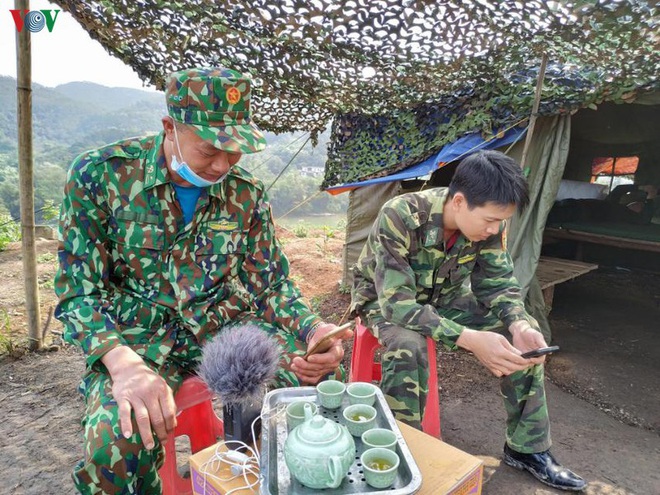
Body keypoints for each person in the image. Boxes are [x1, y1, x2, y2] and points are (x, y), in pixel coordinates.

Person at [55, 67, 352, 494]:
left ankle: (267, 479)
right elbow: (77, 293)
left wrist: (312, 330)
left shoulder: (245, 192)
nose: (222, 165)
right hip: (135, 338)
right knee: (115, 444)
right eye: (210, 150)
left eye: (235, 153)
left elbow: (269, 283)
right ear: (169, 128)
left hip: (221, 328)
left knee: (306, 385)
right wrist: (123, 365)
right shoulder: (99, 176)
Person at [350, 150, 586, 492]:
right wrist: (470, 339)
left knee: (525, 339)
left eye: (500, 222)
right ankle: (402, 452)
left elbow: (497, 282)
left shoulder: (487, 226)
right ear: (459, 202)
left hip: (440, 298)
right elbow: (397, 305)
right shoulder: (401, 215)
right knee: (407, 343)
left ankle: (527, 448)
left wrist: (519, 322)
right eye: (490, 220)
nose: (494, 228)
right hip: (383, 299)